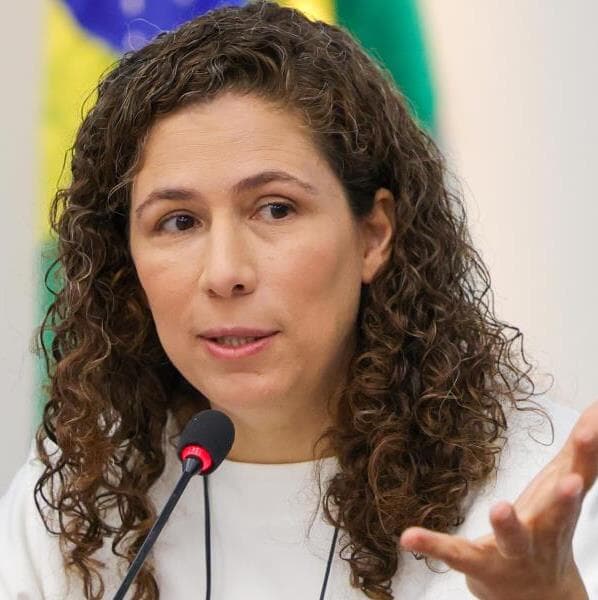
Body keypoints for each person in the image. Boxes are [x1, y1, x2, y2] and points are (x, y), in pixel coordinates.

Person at [0, 1, 597, 599]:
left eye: (276, 209)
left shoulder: (539, 493)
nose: (225, 273)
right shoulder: (80, 490)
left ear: (374, 234)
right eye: (179, 221)